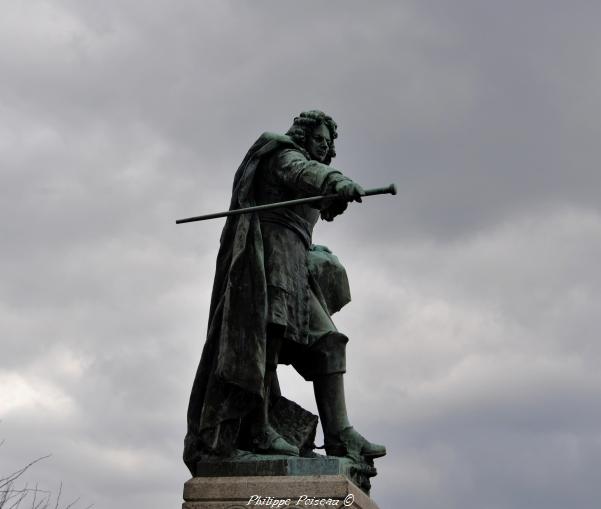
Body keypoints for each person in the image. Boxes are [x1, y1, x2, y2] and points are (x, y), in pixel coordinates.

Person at [184, 110, 385, 474]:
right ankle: (258, 428)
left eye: (329, 144)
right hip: (267, 258)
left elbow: (316, 195)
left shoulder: (306, 167)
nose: (325, 148)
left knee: (328, 342)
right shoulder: (282, 153)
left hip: (295, 263)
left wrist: (332, 197)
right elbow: (303, 173)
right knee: (265, 343)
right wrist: (335, 180)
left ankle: (341, 434)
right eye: (320, 140)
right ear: (304, 136)